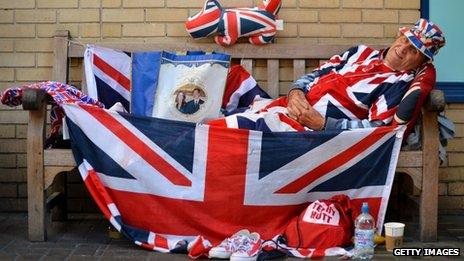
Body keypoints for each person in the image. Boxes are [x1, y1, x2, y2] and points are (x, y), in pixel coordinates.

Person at [209, 18, 445, 132]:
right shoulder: (361, 52)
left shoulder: (398, 83)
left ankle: (187, 140)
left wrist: (323, 124)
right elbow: (316, 74)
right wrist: (295, 91)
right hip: (289, 105)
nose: (403, 48)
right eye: (405, 40)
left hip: (306, 128)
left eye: (413, 50)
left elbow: (375, 128)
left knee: (231, 127)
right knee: (231, 78)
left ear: (421, 61)